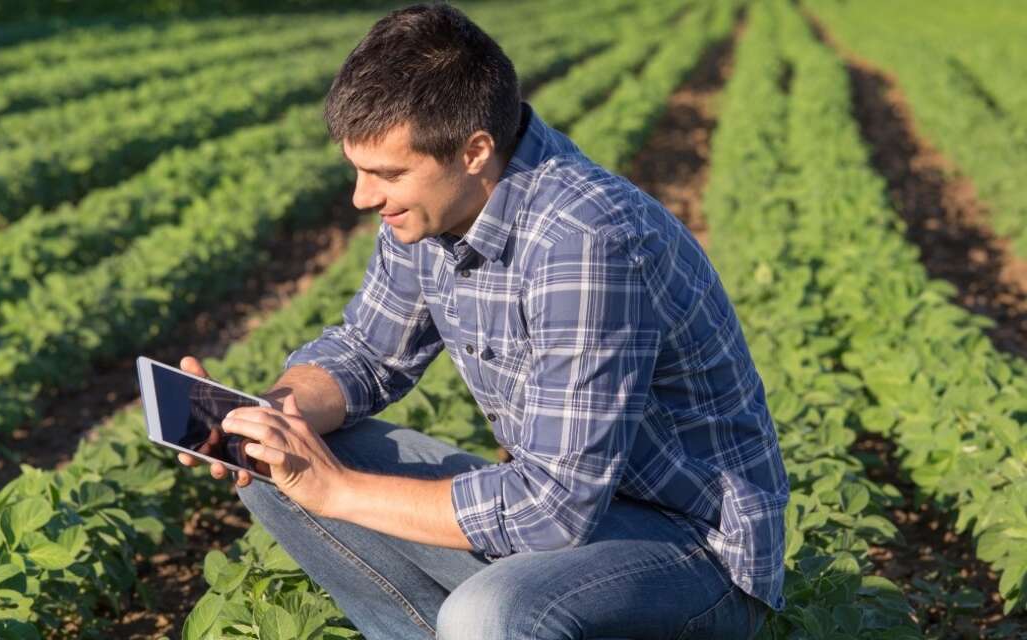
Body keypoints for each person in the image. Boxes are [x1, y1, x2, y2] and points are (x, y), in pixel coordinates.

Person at [176, 3, 788, 638]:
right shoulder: (431, 211)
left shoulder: (583, 239)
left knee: (487, 614)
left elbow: (555, 508)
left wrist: (337, 491)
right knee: (274, 464)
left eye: (386, 173)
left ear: (474, 151)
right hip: (569, 518)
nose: (362, 197)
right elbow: (367, 352)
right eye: (357, 169)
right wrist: (266, 413)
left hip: (690, 549)